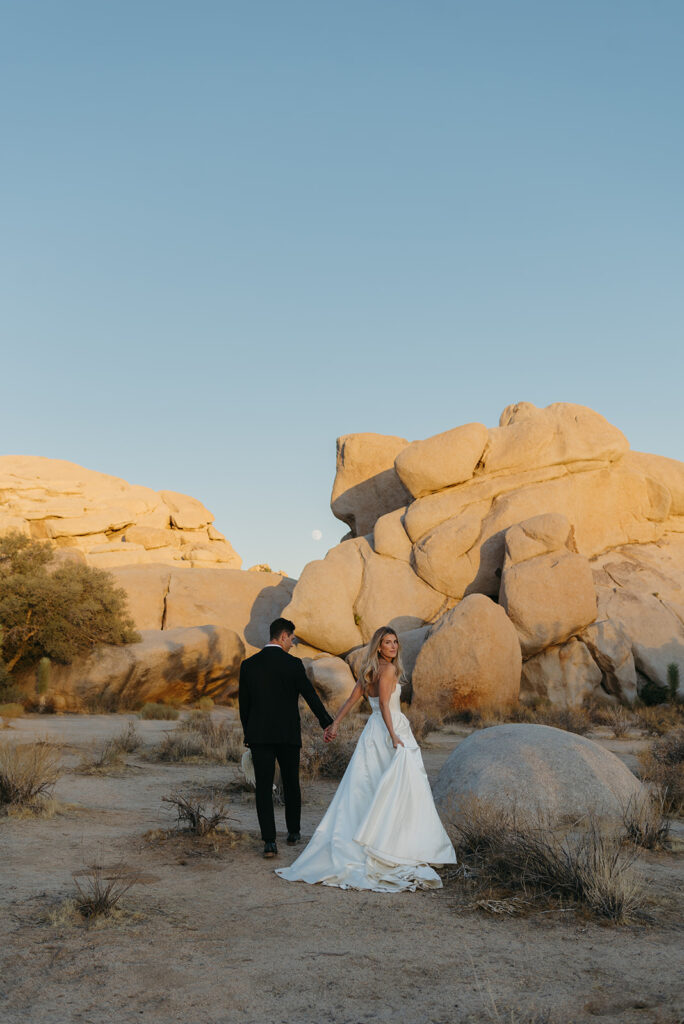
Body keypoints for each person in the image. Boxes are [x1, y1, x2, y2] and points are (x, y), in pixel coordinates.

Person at [275, 626, 456, 891]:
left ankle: (374, 835)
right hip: (387, 730)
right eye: (387, 642)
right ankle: (390, 842)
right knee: (396, 787)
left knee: (369, 787)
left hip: (373, 730)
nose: (393, 646)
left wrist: (334, 723)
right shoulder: (388, 670)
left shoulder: (369, 670)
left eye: (395, 642)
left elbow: (352, 699)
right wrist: (394, 736)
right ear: (378, 647)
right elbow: (384, 704)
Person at [239, 617, 334, 859]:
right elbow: (310, 695)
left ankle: (269, 842)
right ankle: (293, 832)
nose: (292, 643)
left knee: (263, 787)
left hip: (259, 735)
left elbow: (244, 706)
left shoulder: (249, 665)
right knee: (291, 782)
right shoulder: (293, 664)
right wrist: (327, 722)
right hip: (287, 734)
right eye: (291, 639)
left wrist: (249, 735)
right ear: (283, 636)